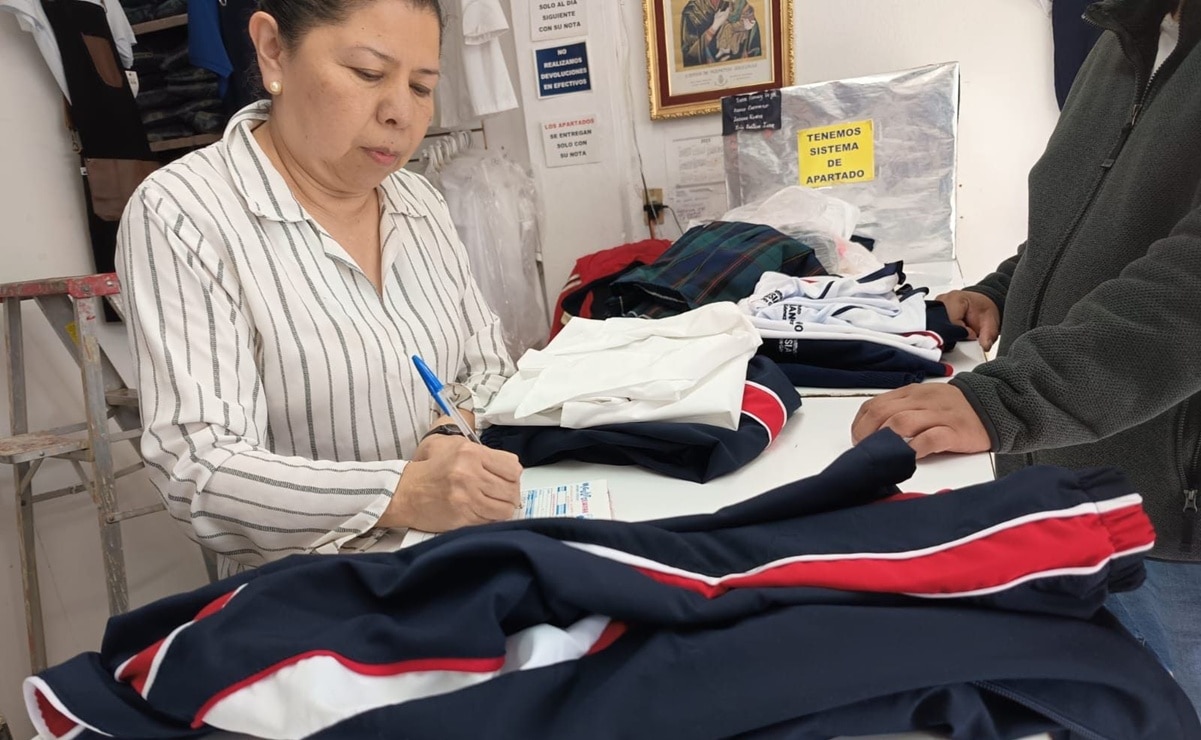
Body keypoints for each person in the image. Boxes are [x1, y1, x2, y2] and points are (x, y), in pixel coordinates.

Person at [851, 0, 1201, 716]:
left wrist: (1004, 399)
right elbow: (1081, 222)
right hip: (1075, 483)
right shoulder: (1119, 38)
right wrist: (1001, 291)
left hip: (1177, 529)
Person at [115, 0, 522, 579]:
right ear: (273, 50)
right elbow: (199, 467)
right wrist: (402, 492)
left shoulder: (420, 202)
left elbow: (491, 368)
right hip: (311, 598)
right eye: (367, 73)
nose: (400, 113)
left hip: (457, 560)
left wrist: (449, 427)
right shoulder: (184, 212)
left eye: (422, 86)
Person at [680, 0, 761, 68]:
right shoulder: (692, 12)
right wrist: (714, 27)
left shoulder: (735, 3)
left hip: (737, 69)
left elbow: (754, 46)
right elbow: (689, 57)